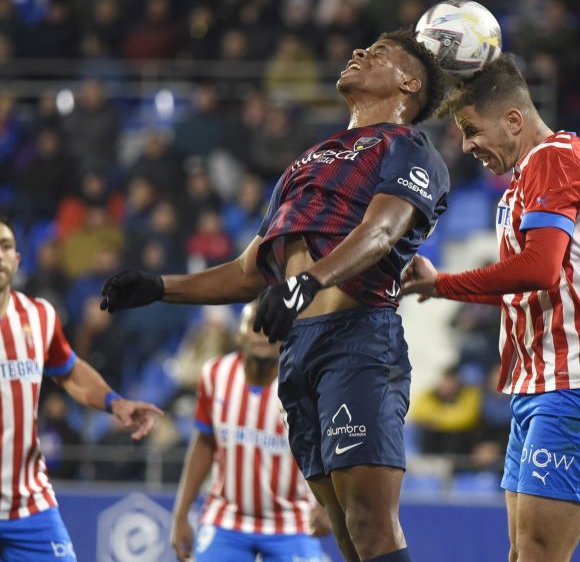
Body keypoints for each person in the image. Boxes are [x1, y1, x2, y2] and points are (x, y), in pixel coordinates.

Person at [100, 28, 448, 562]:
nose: (357, 52)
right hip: (300, 351)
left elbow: (382, 232)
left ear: (409, 82)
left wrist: (306, 283)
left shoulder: (408, 148)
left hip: (358, 341)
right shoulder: (306, 162)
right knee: (345, 530)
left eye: (377, 54)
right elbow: (249, 271)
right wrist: (157, 287)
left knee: (370, 522)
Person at [402, 55, 580, 562]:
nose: (467, 146)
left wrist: (447, 283)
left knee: (536, 555)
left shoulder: (555, 158)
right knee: (523, 553)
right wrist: (440, 286)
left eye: (471, 130)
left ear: (513, 120)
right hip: (537, 386)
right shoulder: (522, 183)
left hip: (577, 384)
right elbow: (521, 286)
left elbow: (541, 270)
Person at [0, 218, 161, 560]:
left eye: (6, 247)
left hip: (29, 502)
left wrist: (115, 403)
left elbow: (68, 370)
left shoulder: (39, 316)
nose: (0, 255)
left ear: (17, 259)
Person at [170, 301, 329, 562]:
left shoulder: (304, 381)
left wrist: (329, 507)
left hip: (291, 521)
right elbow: (204, 443)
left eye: (270, 326)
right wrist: (180, 515)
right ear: (239, 334)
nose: (262, 333)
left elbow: (326, 446)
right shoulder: (215, 375)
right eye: (255, 326)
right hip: (226, 519)